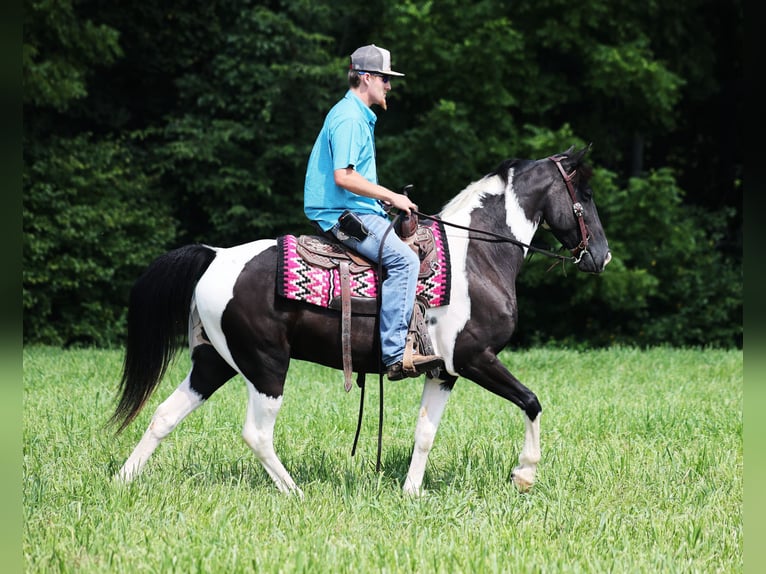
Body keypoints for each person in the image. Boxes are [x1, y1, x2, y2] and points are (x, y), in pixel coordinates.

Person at [304, 44, 443, 381]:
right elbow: (344, 177)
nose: (388, 86)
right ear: (366, 78)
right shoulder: (350, 117)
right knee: (405, 261)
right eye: (384, 78)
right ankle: (395, 354)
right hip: (341, 215)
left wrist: (380, 201)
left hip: (352, 209)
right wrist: (392, 196)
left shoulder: (355, 115)